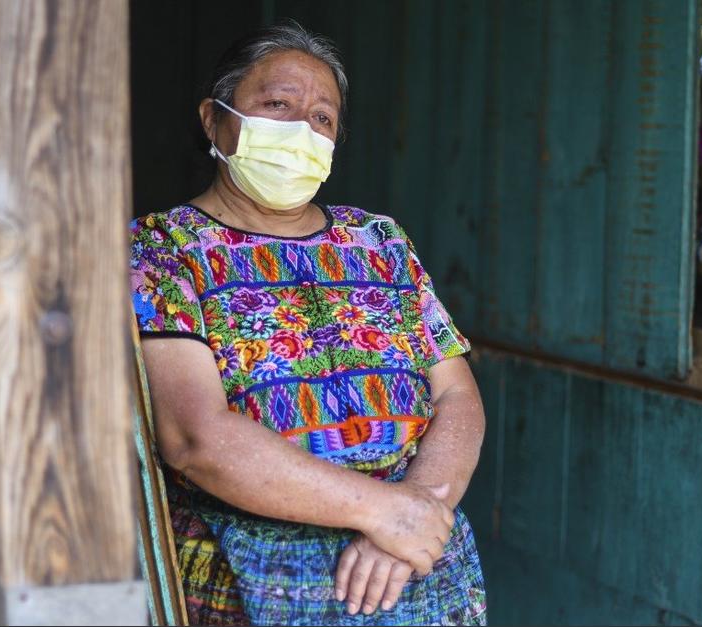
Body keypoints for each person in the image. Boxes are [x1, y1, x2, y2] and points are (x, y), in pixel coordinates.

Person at [129, 20, 486, 626]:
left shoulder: (379, 241)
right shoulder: (164, 248)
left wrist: (415, 513)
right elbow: (196, 438)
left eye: (322, 117)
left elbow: (456, 395)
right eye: (278, 105)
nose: (301, 129)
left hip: (416, 571)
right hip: (257, 582)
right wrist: (383, 512)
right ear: (214, 120)